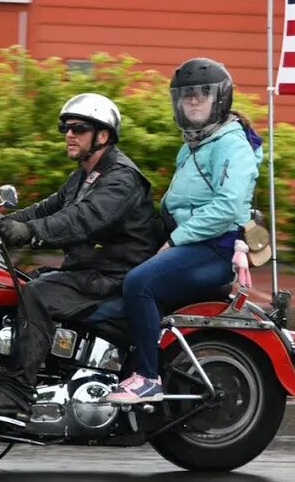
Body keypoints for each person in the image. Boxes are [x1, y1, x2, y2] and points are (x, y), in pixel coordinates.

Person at [0, 92, 162, 418]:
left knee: (37, 294)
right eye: (66, 128)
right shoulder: (82, 176)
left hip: (114, 275)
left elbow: (83, 218)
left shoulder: (122, 178)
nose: (69, 134)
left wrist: (29, 233)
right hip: (90, 270)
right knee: (18, 283)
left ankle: (16, 395)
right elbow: (46, 209)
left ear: (103, 135)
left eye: (79, 128)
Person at [107, 58, 262, 404]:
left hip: (213, 249)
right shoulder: (193, 143)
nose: (193, 100)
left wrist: (175, 240)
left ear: (219, 99)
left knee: (140, 282)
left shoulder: (230, 144)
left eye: (202, 94)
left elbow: (225, 207)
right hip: (189, 241)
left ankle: (147, 377)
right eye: (187, 94)